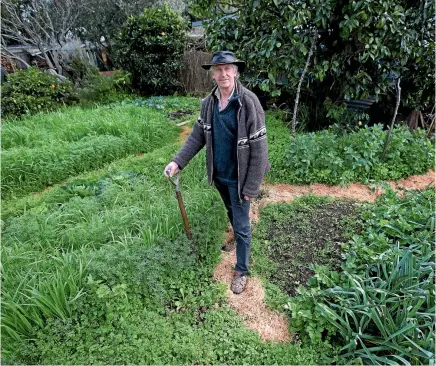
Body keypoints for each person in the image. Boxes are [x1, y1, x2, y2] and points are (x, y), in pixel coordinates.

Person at [164, 50, 270, 294]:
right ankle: (236, 238)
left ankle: (242, 270)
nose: (223, 73)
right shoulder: (209, 103)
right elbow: (197, 136)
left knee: (243, 224)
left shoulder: (249, 102)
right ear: (213, 74)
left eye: (227, 68)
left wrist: (251, 187)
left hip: (240, 177)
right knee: (231, 210)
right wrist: (177, 162)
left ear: (235, 71)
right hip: (220, 174)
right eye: (218, 69)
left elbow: (260, 148)